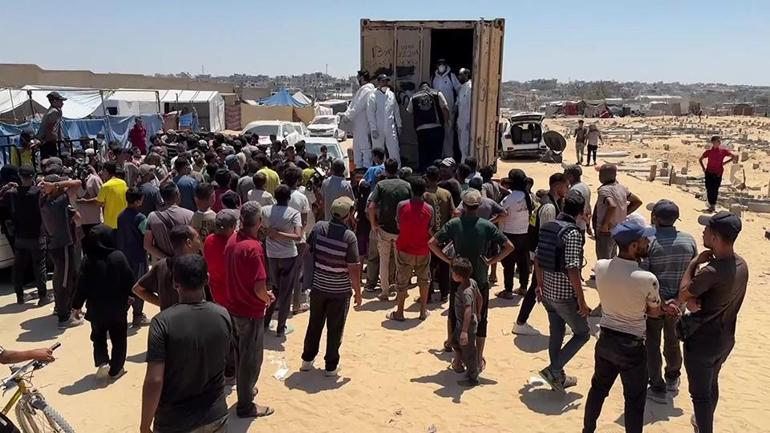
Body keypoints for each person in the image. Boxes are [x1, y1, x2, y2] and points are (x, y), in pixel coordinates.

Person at [665, 211, 747, 433]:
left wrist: (693, 263)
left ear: (715, 239)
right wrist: (696, 299)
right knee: (712, 384)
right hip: (725, 339)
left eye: (707, 229)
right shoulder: (741, 265)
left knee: (699, 396)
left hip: (702, 343)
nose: (703, 231)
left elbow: (683, 293)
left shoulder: (711, 271)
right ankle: (702, 424)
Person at [583, 219, 662, 433]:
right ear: (634, 246)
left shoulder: (600, 266)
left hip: (606, 339)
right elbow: (654, 313)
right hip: (632, 346)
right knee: (634, 401)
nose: (648, 243)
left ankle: (587, 430)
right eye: (645, 239)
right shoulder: (648, 279)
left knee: (598, 390)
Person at [140, 255, 233, 433]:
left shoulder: (162, 322)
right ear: (207, 279)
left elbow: (154, 379)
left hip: (174, 421)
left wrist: (145, 426)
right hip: (215, 416)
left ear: (175, 283)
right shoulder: (223, 315)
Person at [429, 190, 514, 372]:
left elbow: (431, 243)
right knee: (481, 316)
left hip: (458, 276)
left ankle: (457, 359)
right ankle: (478, 357)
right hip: (481, 276)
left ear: (464, 206)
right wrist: (492, 261)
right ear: (478, 206)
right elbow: (509, 247)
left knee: (455, 314)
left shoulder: (454, 224)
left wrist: (448, 260)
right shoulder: (487, 226)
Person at [221, 202, 276, 419]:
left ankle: (246, 390)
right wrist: (268, 297)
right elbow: (259, 287)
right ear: (259, 223)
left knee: (239, 353)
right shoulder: (253, 248)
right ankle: (245, 404)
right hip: (250, 311)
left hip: (233, 306)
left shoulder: (233, 239)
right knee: (250, 359)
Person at [535, 190, 591, 391]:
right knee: (583, 333)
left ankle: (557, 377)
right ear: (581, 210)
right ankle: (554, 369)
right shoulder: (573, 233)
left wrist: (540, 285)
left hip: (547, 291)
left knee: (556, 333)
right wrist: (581, 300)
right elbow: (572, 268)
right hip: (564, 294)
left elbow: (538, 259)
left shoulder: (549, 227)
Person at [642, 200, 697, 404]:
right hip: (679, 305)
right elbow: (693, 274)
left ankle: (656, 386)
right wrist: (679, 300)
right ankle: (673, 377)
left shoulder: (650, 242)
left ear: (655, 217)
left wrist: (663, 302)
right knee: (673, 342)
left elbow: (647, 276)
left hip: (655, 304)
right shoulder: (689, 240)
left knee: (652, 344)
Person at [300, 196, 361, 376]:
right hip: (340, 291)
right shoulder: (349, 237)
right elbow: (354, 268)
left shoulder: (319, 227)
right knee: (335, 328)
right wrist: (358, 292)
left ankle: (307, 360)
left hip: (318, 286)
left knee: (314, 324)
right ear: (348, 214)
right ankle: (330, 366)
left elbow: (308, 251)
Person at [72, 224, 135, 380]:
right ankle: (116, 369)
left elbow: (81, 286)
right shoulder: (118, 256)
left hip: (96, 309)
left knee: (98, 336)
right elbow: (129, 280)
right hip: (117, 308)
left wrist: (76, 306)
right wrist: (131, 296)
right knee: (119, 338)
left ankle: (102, 362)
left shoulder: (87, 260)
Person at [0, 165, 49, 305]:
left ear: (20, 177)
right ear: (33, 176)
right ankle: (43, 297)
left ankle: (20, 296)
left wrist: (5, 188)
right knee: (39, 267)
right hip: (37, 235)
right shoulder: (38, 192)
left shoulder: (12, 193)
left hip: (20, 236)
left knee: (18, 267)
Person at [39, 175, 84, 329]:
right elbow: (77, 184)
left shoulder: (44, 201)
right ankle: (64, 318)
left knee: (61, 278)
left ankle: (62, 309)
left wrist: (53, 186)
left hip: (55, 245)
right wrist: (56, 184)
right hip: (63, 245)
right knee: (64, 281)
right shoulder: (59, 202)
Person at [388, 176, 434, 321]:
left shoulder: (402, 205)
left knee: (402, 281)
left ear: (411, 190)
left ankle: (400, 312)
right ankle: (422, 311)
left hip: (404, 248)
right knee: (424, 280)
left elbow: (398, 225)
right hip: (423, 249)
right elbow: (430, 228)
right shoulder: (429, 209)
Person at [261, 185, 303, 337]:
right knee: (286, 294)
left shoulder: (265, 210)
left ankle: (266, 323)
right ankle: (281, 328)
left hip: (271, 254)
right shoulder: (294, 213)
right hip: (288, 255)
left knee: (274, 289)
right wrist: (280, 234)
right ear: (289, 198)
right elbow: (298, 237)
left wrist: (270, 233)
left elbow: (259, 227)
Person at [368, 158, 412, 301]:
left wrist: (374, 224)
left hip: (384, 229)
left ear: (385, 169)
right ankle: (402, 291)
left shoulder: (381, 185)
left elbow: (371, 206)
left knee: (384, 261)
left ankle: (385, 292)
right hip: (403, 230)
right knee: (401, 262)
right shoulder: (406, 185)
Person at [134, 225, 201, 310]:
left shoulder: (161, 265)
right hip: (192, 319)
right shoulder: (197, 265)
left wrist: (162, 304)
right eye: (197, 238)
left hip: (169, 320)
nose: (200, 242)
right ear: (189, 243)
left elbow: (138, 289)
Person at [115, 187, 149, 328]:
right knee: (139, 287)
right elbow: (146, 235)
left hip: (124, 256)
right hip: (138, 257)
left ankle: (120, 315)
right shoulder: (140, 218)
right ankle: (138, 316)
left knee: (126, 287)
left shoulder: (120, 215)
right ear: (137, 201)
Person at [496, 169, 533, 300]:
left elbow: (499, 212)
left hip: (510, 234)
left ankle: (508, 290)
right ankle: (523, 287)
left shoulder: (510, 198)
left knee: (508, 263)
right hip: (524, 233)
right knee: (523, 262)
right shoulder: (527, 196)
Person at [595, 164, 642, 262]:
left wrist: (605, 224)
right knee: (613, 258)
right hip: (618, 230)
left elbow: (612, 205)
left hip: (606, 232)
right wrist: (623, 213)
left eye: (600, 174)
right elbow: (637, 201)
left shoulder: (604, 190)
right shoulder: (622, 188)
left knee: (603, 261)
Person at [449, 257, 483, 386]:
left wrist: (464, 331)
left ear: (458, 276)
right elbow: (479, 297)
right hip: (461, 324)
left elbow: (468, 309)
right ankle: (460, 362)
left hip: (466, 326)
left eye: (453, 272)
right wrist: (479, 312)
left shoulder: (465, 292)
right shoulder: (472, 282)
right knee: (454, 342)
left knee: (469, 352)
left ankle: (473, 377)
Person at [423, 166, 455, 302]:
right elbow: (454, 213)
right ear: (439, 178)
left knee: (428, 267)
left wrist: (431, 233)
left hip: (429, 237)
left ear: (427, 178)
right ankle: (444, 294)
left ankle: (428, 295)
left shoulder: (424, 196)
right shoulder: (446, 193)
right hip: (444, 236)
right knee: (444, 265)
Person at [145, 183, 194, 260]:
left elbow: (147, 245)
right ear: (177, 194)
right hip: (185, 263)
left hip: (164, 266)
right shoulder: (190, 215)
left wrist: (167, 259)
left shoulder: (152, 217)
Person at [408, 82, 451, 171]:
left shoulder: (414, 97)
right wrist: (447, 122)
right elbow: (445, 108)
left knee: (423, 153)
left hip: (421, 129)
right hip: (436, 127)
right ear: (429, 87)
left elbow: (410, 111)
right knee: (436, 153)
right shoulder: (437, 93)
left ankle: (424, 174)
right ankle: (436, 173)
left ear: (420, 88)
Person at [202, 210, 238, 304]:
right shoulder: (235, 243)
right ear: (233, 226)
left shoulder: (208, 240)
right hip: (234, 294)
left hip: (216, 293)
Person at [343, 70, 376, 168]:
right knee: (357, 147)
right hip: (358, 122)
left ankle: (366, 167)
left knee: (365, 147)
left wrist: (348, 116)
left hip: (362, 121)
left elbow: (358, 105)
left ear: (361, 78)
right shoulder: (362, 89)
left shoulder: (367, 89)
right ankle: (358, 167)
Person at [367, 74, 402, 165]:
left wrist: (399, 125)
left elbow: (396, 111)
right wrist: (373, 128)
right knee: (379, 151)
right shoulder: (373, 96)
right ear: (378, 82)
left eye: (386, 81)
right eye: (383, 81)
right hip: (378, 128)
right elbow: (370, 114)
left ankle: (396, 169)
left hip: (390, 128)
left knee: (394, 149)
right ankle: (380, 170)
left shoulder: (391, 95)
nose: (385, 83)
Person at [432, 59, 461, 158]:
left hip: (449, 111)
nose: (441, 66)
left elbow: (459, 90)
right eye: (439, 64)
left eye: (443, 64)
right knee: (438, 134)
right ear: (437, 66)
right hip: (437, 111)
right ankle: (439, 156)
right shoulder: (433, 78)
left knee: (449, 133)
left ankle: (449, 157)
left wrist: (456, 105)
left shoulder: (451, 76)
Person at [699, 136, 735, 213]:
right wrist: (703, 168)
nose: (717, 143)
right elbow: (700, 159)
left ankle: (713, 206)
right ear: (712, 143)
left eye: (718, 141)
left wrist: (724, 163)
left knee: (715, 189)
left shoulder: (723, 151)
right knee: (709, 188)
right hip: (709, 172)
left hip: (718, 173)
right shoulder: (708, 152)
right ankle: (710, 205)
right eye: (715, 142)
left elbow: (733, 156)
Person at [96, 161, 128, 229]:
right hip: (123, 221)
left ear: (105, 170)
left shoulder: (105, 186)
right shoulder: (123, 183)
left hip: (110, 223)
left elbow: (99, 203)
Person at [77, 164, 104, 243]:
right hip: (82, 222)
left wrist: (85, 201)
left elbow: (101, 199)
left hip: (94, 221)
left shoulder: (94, 179)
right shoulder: (77, 181)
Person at [564, 164, 593, 236]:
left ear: (571, 176)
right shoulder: (585, 187)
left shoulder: (575, 190)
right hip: (581, 226)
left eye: (565, 173)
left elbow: (580, 210)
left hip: (575, 226)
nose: (563, 175)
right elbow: (588, 209)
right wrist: (587, 225)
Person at [36, 92, 66, 159]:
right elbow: (50, 128)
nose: (62, 103)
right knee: (51, 161)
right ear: (54, 101)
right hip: (47, 141)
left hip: (47, 141)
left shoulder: (54, 110)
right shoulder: (54, 112)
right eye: (60, 101)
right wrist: (51, 140)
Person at [456, 68, 472, 162]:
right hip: (460, 121)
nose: (459, 77)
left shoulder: (470, 88)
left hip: (467, 122)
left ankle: (464, 167)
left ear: (466, 75)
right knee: (461, 146)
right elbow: (458, 105)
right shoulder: (461, 88)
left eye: (461, 75)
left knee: (465, 146)